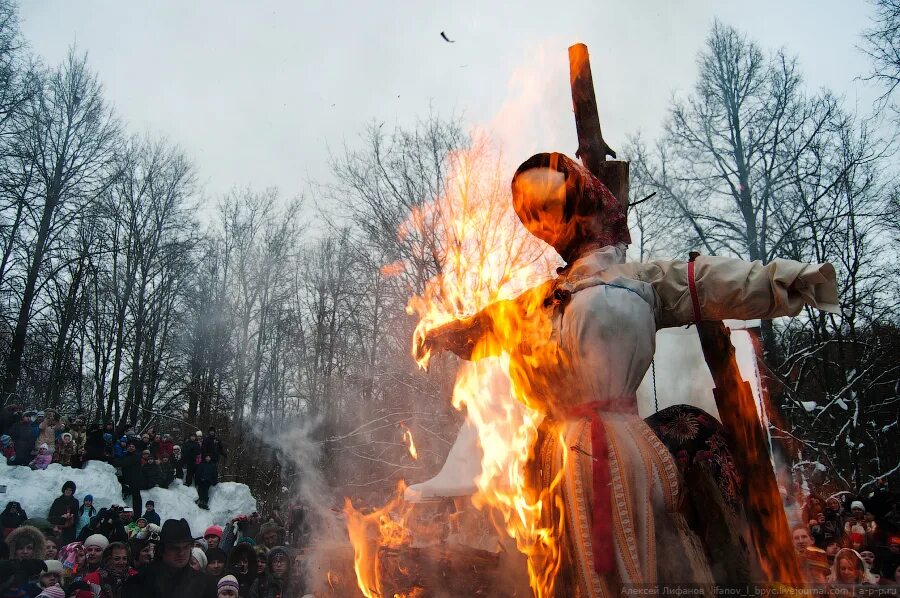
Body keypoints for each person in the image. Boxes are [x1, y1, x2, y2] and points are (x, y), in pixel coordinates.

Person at [416, 151, 840, 593]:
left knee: (639, 560)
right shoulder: (535, 302)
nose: (540, 217)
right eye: (530, 212)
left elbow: (717, 280)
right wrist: (440, 333)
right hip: (550, 460)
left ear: (581, 198)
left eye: (547, 200)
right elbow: (481, 331)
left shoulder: (642, 281)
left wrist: (787, 281)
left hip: (620, 447)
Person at [121, 518, 217, 598]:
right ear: (162, 550)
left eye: (186, 547)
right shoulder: (139, 582)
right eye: (175, 548)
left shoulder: (205, 584)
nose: (181, 553)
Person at [117, 441, 144, 514]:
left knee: (136, 499)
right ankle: (126, 513)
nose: (131, 448)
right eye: (129, 446)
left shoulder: (136, 456)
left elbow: (124, 463)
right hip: (127, 480)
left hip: (135, 480)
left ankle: (137, 515)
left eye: (133, 446)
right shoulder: (125, 455)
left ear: (135, 448)